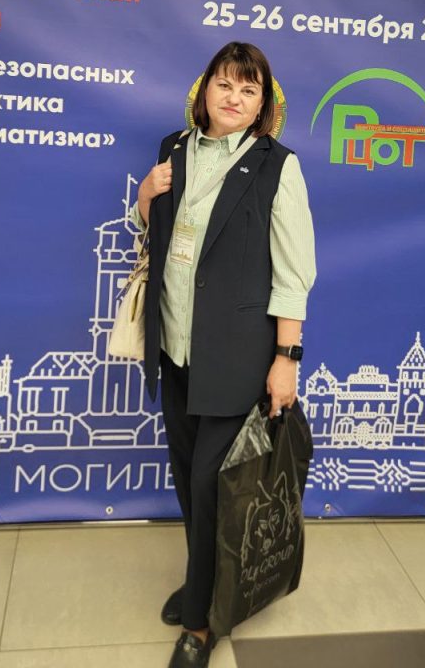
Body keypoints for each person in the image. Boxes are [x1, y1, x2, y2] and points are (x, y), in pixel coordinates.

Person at [131, 41, 316, 668]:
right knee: (190, 481)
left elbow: (293, 273)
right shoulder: (173, 150)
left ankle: (202, 625)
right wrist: (146, 196)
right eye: (225, 84)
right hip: (175, 348)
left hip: (237, 356)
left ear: (263, 104)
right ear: (203, 89)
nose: (234, 98)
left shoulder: (277, 166)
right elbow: (158, 239)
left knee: (214, 487)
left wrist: (286, 357)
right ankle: (203, 581)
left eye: (249, 89)